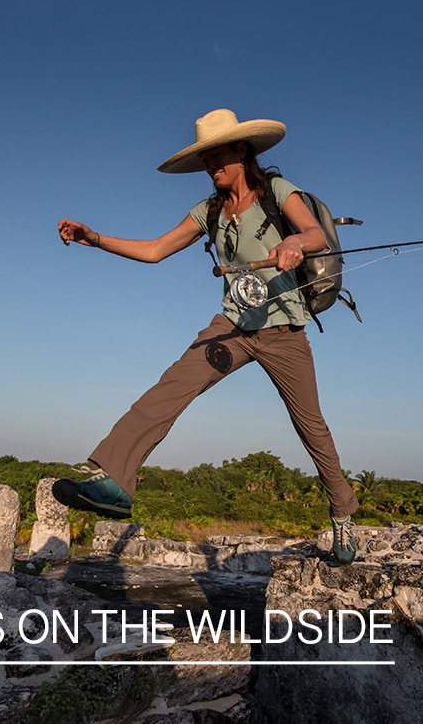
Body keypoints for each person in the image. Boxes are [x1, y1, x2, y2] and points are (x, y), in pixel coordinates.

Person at [51, 109, 360, 565]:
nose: (211, 164)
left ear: (242, 149)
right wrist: (94, 238)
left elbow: (315, 234)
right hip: (232, 326)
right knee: (173, 385)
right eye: (205, 158)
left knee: (310, 424)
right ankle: (113, 480)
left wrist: (295, 243)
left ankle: (343, 510)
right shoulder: (209, 211)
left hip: (283, 329)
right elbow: (156, 249)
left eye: (217, 154)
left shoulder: (277, 191)